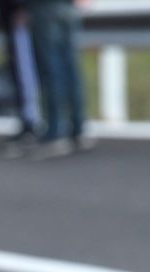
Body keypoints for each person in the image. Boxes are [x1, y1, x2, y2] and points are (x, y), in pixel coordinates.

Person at [28, 0, 93, 159]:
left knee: (52, 71)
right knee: (70, 68)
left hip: (45, 7)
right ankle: (78, 129)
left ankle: (56, 132)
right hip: (67, 6)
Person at [0, 0, 42, 157]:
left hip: (17, 11)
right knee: (19, 70)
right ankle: (27, 121)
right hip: (10, 11)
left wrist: (22, 7)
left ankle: (31, 123)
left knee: (25, 70)